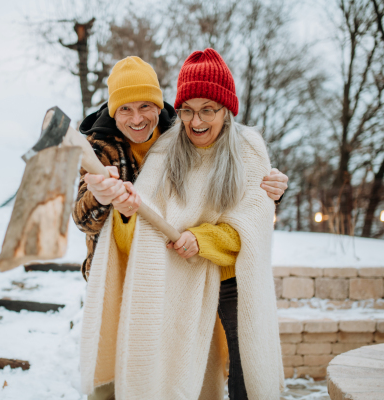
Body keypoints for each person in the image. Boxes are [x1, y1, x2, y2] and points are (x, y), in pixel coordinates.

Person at [79, 49, 284, 400]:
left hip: (231, 276)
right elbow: (137, 225)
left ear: (226, 109)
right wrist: (120, 208)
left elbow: (254, 219)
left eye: (208, 109)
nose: (196, 121)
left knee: (246, 366)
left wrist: (203, 238)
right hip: (179, 276)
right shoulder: (161, 149)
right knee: (173, 366)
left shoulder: (246, 147)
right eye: (188, 110)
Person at [72, 56, 288, 283]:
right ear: (114, 111)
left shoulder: (178, 134)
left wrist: (267, 189)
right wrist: (99, 197)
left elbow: (220, 172)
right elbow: (82, 221)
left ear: (158, 105)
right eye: (125, 109)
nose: (137, 119)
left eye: (145, 106)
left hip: (174, 272)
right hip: (114, 271)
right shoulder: (99, 149)